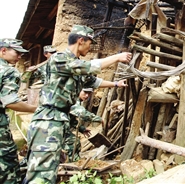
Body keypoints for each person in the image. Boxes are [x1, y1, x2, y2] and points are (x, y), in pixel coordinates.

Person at [23, 25, 132, 184]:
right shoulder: (60, 59)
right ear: (81, 40)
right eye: (90, 43)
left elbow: (94, 81)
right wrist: (117, 57)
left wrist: (116, 84)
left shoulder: (74, 64)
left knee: (49, 170)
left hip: (58, 121)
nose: (90, 47)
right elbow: (90, 67)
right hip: (47, 121)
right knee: (41, 173)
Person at [0, 38, 37, 183]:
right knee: (7, 164)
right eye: (17, 52)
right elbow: (11, 102)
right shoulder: (9, 71)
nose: (19, 57)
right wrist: (37, 109)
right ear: (3, 51)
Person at [63, 87, 102, 162]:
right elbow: (82, 113)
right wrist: (97, 119)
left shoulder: (76, 100)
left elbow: (71, 120)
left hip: (61, 127)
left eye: (89, 93)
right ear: (79, 91)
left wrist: (82, 129)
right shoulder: (72, 100)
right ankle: (72, 163)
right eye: (85, 92)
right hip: (54, 127)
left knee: (74, 142)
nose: (87, 95)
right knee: (73, 142)